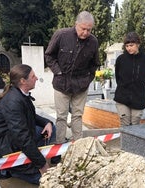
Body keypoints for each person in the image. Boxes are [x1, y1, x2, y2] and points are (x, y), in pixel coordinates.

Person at [0, 64, 57, 185]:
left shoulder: (20, 95)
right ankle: (14, 169)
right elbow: (21, 137)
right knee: (44, 180)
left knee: (51, 128)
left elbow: (31, 116)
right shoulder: (13, 101)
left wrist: (47, 122)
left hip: (13, 139)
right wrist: (42, 165)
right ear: (23, 81)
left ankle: (31, 159)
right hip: (6, 148)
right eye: (33, 76)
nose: (36, 78)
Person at [45, 11, 100, 144]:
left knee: (77, 116)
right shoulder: (61, 35)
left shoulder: (93, 41)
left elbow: (95, 64)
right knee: (61, 117)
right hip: (61, 84)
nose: (86, 32)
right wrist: (58, 72)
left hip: (81, 85)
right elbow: (49, 56)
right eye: (83, 29)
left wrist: (87, 80)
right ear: (76, 24)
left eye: (89, 29)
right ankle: (58, 147)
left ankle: (78, 146)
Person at [114, 32, 145, 126]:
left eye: (131, 45)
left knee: (135, 125)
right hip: (122, 97)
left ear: (138, 44)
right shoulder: (121, 59)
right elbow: (118, 77)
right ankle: (124, 141)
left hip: (139, 97)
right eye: (127, 46)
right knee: (125, 123)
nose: (129, 48)